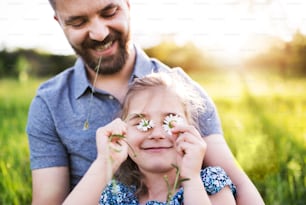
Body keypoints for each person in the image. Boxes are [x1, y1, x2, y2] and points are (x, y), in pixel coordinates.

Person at [26, 0, 264, 204]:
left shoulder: (181, 88)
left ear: (128, 4)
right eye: (78, 22)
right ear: (59, 22)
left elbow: (239, 185)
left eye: (109, 12)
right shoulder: (49, 102)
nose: (99, 33)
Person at [62, 72, 237, 205]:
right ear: (123, 133)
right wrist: (105, 163)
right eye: (141, 123)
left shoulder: (210, 184)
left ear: (190, 129)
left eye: (170, 121)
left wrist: (190, 178)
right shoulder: (117, 196)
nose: (156, 134)